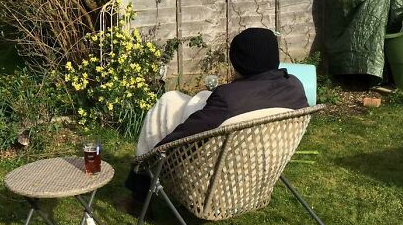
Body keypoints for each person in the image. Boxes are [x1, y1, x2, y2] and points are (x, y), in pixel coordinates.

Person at [126, 27, 308, 200]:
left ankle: (139, 191)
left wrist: (151, 157)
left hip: (215, 184)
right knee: (189, 100)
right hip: (256, 175)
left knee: (168, 103)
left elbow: (184, 135)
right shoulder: (294, 88)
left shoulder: (229, 98)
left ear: (238, 62)